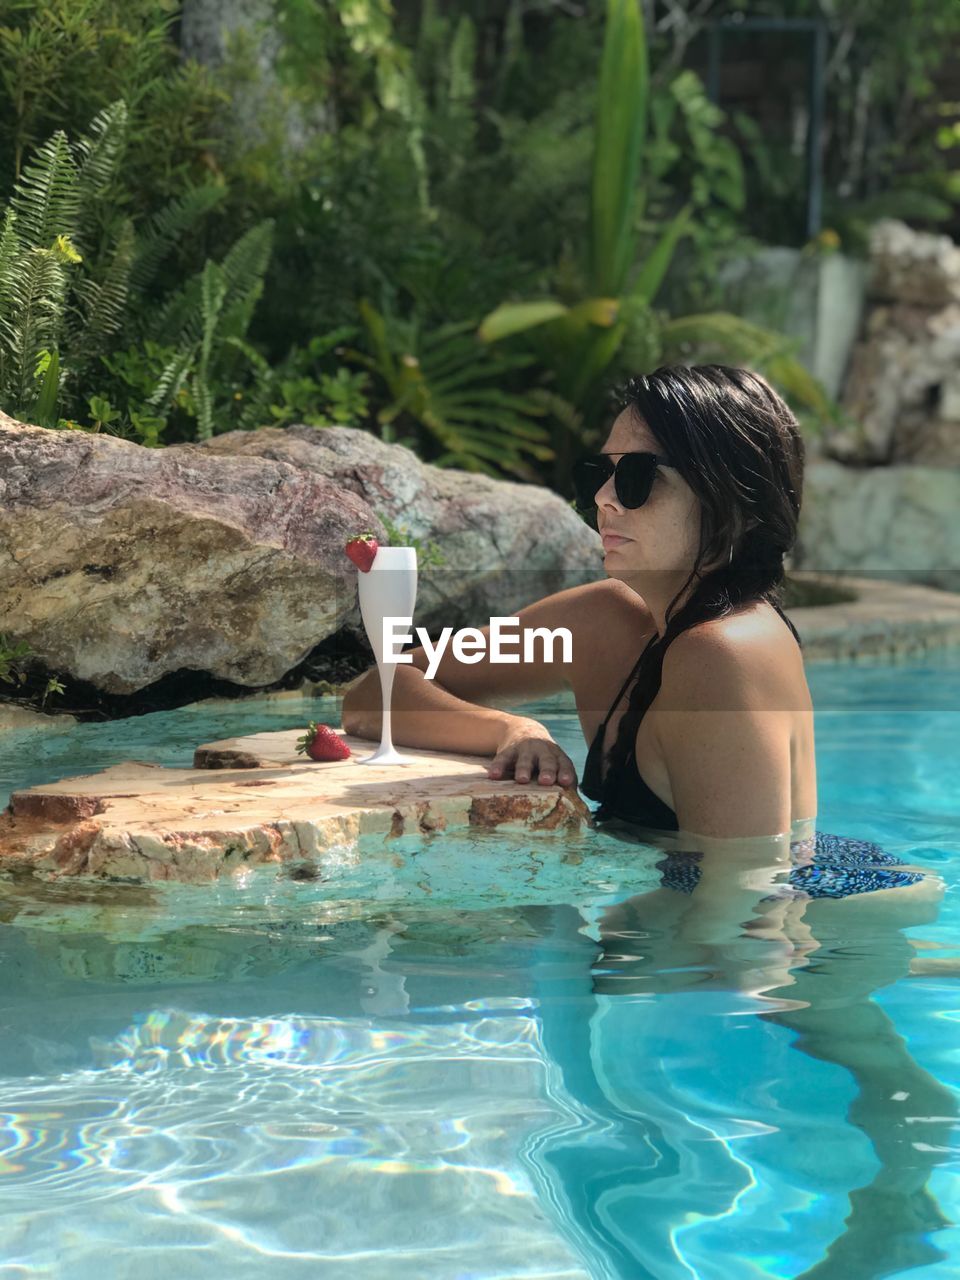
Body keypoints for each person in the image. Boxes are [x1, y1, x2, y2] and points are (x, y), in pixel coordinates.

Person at [341, 363, 930, 908]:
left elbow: (745, 921)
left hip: (820, 930)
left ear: (728, 497)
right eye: (600, 473)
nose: (602, 499)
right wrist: (510, 729)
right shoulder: (602, 620)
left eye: (638, 477)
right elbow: (374, 692)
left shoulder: (722, 655)